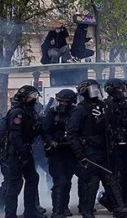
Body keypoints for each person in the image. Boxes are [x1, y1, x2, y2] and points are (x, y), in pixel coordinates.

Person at [66, 79, 127, 218]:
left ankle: (119, 208)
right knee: (91, 182)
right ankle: (87, 211)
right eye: (92, 89)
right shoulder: (80, 109)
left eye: (96, 88)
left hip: (105, 149)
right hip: (90, 150)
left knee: (111, 179)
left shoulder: (103, 105)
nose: (95, 91)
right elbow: (71, 133)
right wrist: (80, 153)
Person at [3, 85, 44, 218]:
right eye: (31, 98)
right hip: (16, 153)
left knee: (33, 178)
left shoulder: (29, 112)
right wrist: (23, 154)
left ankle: (30, 211)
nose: (34, 100)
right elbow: (15, 136)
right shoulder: (17, 113)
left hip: (26, 150)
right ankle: (10, 214)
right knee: (14, 184)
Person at [41, 89, 78, 218]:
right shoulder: (51, 113)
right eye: (60, 101)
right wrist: (51, 142)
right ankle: (57, 210)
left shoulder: (76, 113)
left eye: (66, 102)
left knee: (67, 181)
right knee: (60, 181)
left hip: (70, 152)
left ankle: (64, 207)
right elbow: (45, 131)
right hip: (56, 152)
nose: (63, 104)